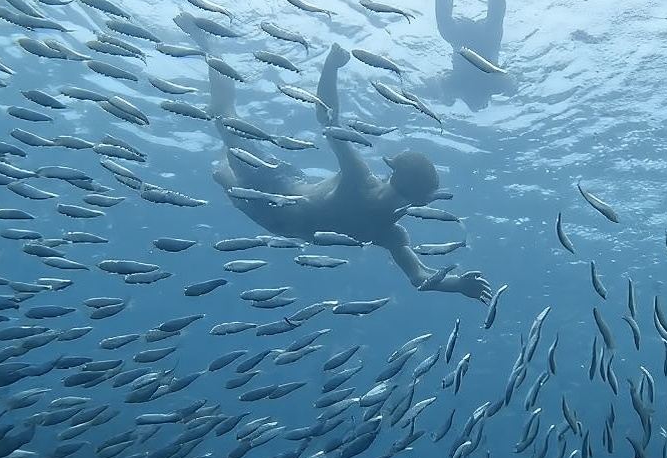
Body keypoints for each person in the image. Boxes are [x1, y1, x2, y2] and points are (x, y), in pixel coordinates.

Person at [198, 34, 493, 303]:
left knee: (224, 141)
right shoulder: (387, 227)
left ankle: (210, 49)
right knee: (224, 141)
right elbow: (419, 277)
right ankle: (210, 48)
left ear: (393, 171)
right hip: (275, 200)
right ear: (421, 200)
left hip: (274, 203)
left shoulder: (370, 195)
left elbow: (327, 119)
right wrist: (455, 284)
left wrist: (332, 66)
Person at [435, 0, 513, 111]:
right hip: (479, 43)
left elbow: (508, 82)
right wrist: (446, 94)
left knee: (495, 17)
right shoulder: (467, 88)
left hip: (469, 42)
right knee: (445, 25)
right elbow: (509, 83)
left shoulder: (467, 88)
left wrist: (445, 95)